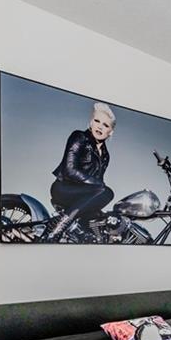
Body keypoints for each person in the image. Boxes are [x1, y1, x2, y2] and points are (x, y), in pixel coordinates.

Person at [44, 102, 117, 239]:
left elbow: (97, 183)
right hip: (64, 188)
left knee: (100, 222)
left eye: (105, 125)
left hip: (82, 194)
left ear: (110, 132)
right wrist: (98, 185)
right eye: (97, 121)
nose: (100, 126)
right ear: (91, 122)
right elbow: (69, 170)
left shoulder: (106, 155)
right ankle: (58, 226)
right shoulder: (80, 137)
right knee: (107, 191)